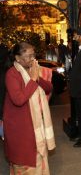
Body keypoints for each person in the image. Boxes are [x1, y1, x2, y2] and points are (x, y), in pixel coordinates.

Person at [3, 42, 55, 174]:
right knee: (24, 162)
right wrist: (33, 79)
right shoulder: (12, 74)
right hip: (20, 127)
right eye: (28, 56)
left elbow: (49, 88)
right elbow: (19, 100)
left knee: (38, 160)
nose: (32, 59)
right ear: (17, 58)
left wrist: (37, 78)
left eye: (34, 55)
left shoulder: (33, 70)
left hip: (35, 126)